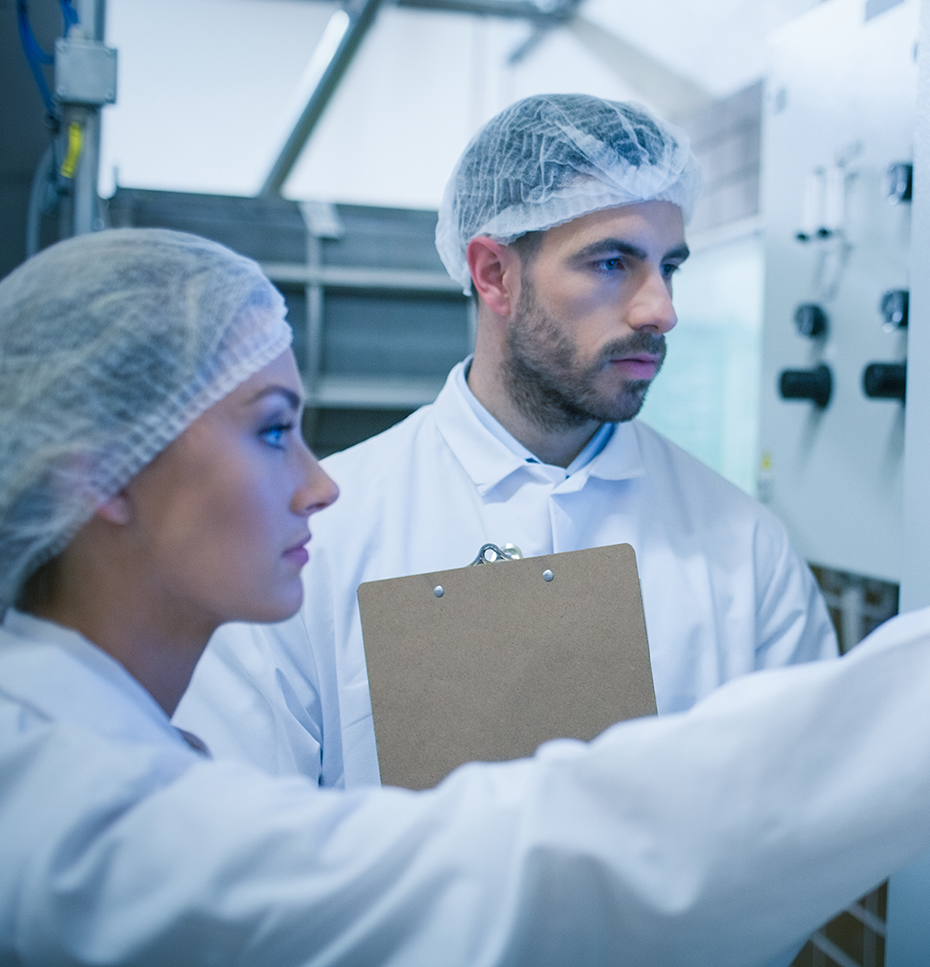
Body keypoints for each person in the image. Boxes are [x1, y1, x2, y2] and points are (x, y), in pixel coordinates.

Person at [0, 230, 930, 966]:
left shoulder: (39, 748)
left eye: (672, 263)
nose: (318, 484)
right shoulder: (73, 829)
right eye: (272, 430)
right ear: (91, 478)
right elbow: (541, 859)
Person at [174, 95, 839, 786]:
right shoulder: (316, 541)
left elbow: (801, 803)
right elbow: (243, 822)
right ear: (494, 274)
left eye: (669, 268)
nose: (661, 310)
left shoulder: (744, 548)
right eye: (613, 263)